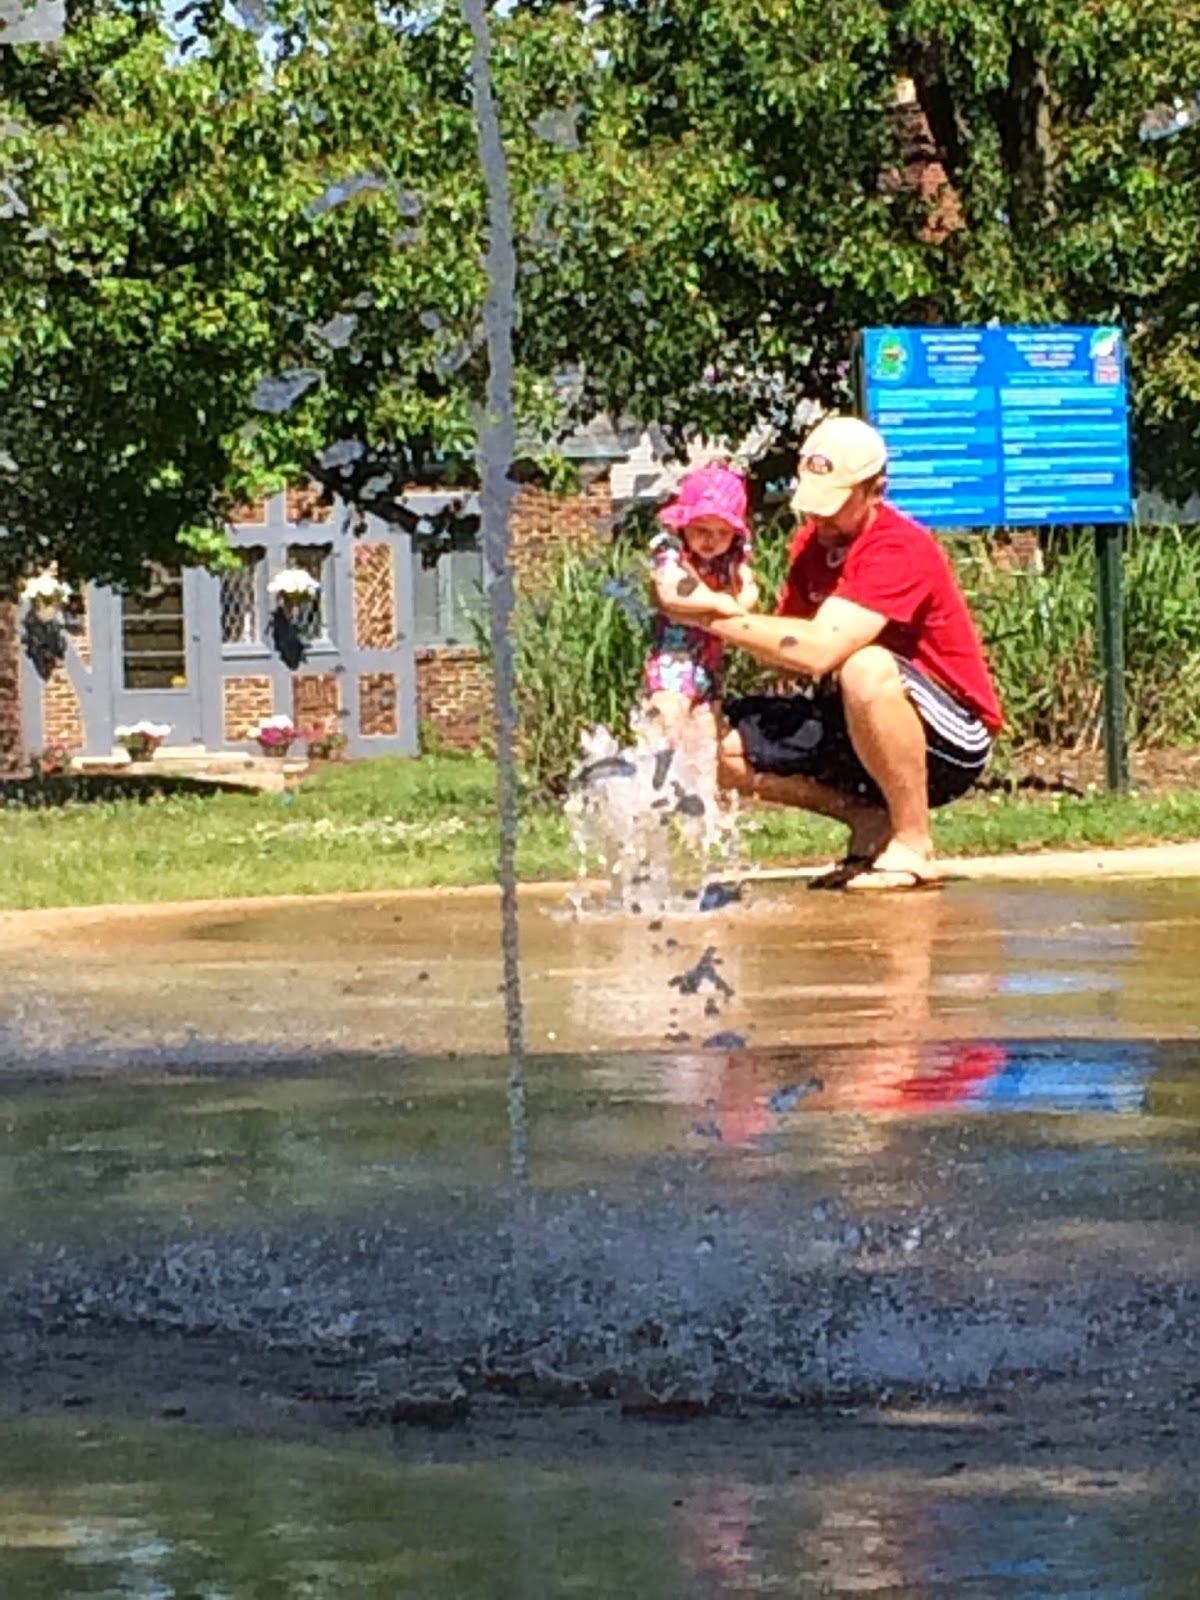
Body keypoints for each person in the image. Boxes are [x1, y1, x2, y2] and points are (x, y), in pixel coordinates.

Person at [652, 415, 1003, 892]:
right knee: (703, 740)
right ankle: (868, 821)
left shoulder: (898, 547)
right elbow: (786, 651)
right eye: (813, 503)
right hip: (848, 716)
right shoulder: (812, 546)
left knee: (865, 665)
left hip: (950, 737)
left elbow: (820, 650)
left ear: (875, 491)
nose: (819, 519)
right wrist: (713, 607)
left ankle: (912, 842)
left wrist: (704, 615)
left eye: (833, 505)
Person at [643, 461, 759, 742]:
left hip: (711, 661)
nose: (712, 540)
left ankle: (700, 771)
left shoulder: (730, 558)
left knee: (707, 733)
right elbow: (671, 589)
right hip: (674, 657)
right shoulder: (673, 552)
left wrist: (741, 604)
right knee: (669, 719)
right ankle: (658, 765)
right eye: (702, 530)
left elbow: (749, 586)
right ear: (684, 526)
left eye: (723, 533)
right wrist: (717, 602)